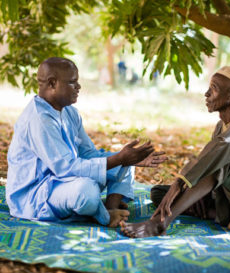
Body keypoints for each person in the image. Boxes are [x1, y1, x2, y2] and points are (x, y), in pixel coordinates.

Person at [121, 66, 230, 237]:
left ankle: (159, 223)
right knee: (159, 194)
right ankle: (221, 215)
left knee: (221, 161)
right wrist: (192, 190)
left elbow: (222, 148)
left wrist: (180, 183)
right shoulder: (220, 126)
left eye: (214, 88)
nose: (206, 94)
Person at [6, 57, 167, 227]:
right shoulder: (39, 119)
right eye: (72, 82)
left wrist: (125, 159)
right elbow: (65, 168)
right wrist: (119, 159)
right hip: (37, 193)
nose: (79, 87)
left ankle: (111, 208)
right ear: (52, 84)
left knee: (126, 163)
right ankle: (104, 216)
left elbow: (87, 153)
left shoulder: (69, 112)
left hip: (64, 181)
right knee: (86, 192)